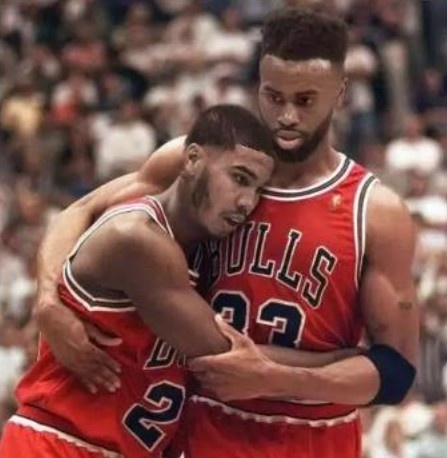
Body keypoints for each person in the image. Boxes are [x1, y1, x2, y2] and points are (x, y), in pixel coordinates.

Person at [34, 7, 419, 458]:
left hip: (312, 435)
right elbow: (81, 211)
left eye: (305, 100)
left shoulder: (374, 211)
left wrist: (280, 378)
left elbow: (396, 372)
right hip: (203, 424)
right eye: (273, 96)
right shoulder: (201, 160)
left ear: (341, 93)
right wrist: (47, 300)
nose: (287, 116)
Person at [0, 104, 276, 457]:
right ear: (193, 160)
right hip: (60, 441)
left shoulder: (212, 221)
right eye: (239, 180)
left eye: (258, 190)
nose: (247, 202)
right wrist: (47, 302)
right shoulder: (140, 231)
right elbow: (80, 209)